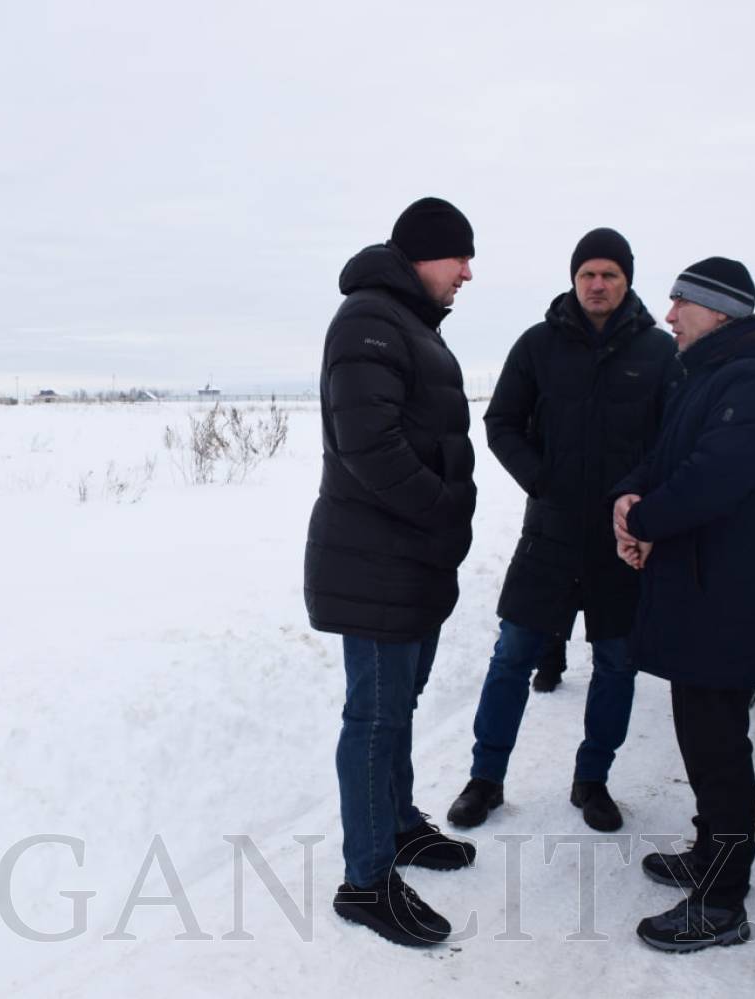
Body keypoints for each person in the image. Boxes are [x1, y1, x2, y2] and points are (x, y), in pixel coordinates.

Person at [445, 228, 676, 833]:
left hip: (622, 540)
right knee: (511, 656)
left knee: (617, 663)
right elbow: (501, 421)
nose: (597, 284)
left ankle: (592, 780)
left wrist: (644, 502)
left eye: (610, 275)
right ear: (573, 279)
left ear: (627, 281)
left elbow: (674, 439)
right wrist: (541, 479)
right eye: (587, 274)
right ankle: (485, 778)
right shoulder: (538, 345)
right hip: (549, 533)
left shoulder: (658, 352)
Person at [612, 257, 755, 952]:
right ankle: (707, 852)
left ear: (718, 311)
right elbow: (666, 457)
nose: (668, 316)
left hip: (727, 592)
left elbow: (712, 478)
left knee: (718, 745)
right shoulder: (711, 371)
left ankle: (722, 902)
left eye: (680, 303)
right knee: (700, 734)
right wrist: (629, 498)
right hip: (698, 586)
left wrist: (643, 520)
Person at [304, 196, 479, 948]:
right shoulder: (368, 321)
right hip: (375, 560)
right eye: (459, 257)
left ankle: (399, 825)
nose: (467, 272)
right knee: (375, 717)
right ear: (423, 254)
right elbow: (369, 447)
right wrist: (444, 506)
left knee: (397, 705)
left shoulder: (407, 322)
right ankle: (366, 880)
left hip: (410, 559)